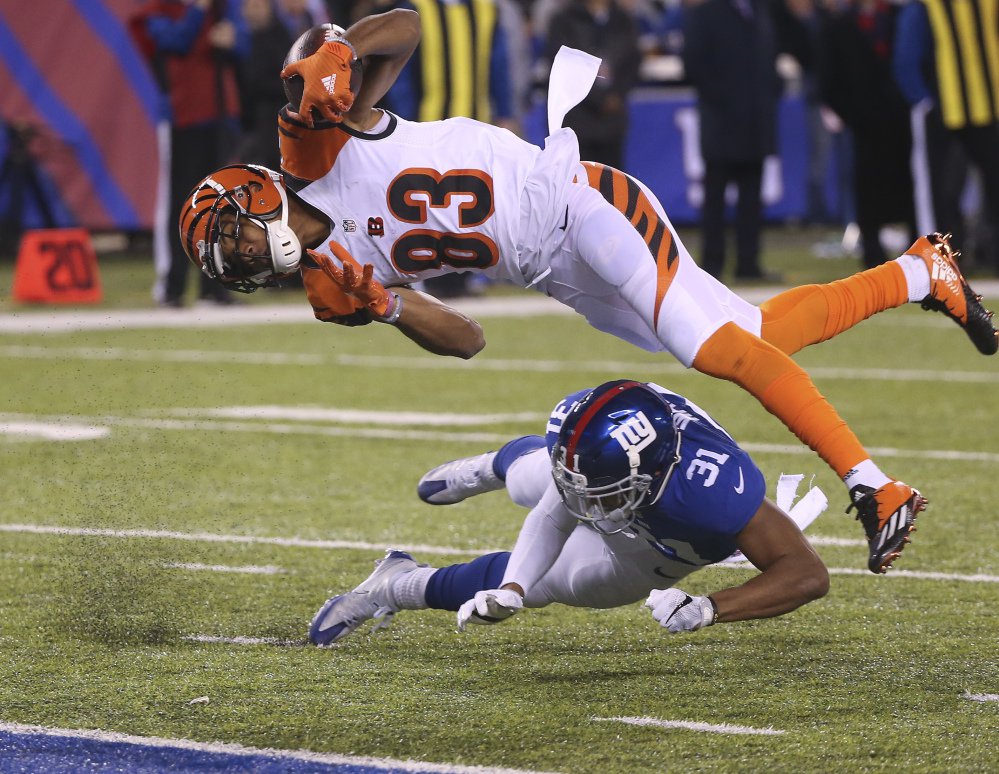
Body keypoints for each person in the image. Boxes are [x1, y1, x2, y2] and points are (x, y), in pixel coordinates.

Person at [178, 8, 999, 574]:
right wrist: (390, 307)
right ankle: (921, 271)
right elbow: (468, 338)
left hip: (574, 200)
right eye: (232, 261)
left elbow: (408, 27)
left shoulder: (312, 145)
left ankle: (873, 485)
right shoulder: (330, 289)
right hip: (553, 271)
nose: (246, 258)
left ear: (253, 192)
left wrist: (334, 58)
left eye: (236, 237)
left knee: (712, 349)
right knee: (756, 333)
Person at [308, 379, 831, 646]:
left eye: (604, 491)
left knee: (551, 584)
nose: (589, 505)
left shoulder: (711, 493)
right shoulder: (598, 444)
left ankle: (395, 584)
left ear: (656, 471)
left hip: (658, 548)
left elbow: (806, 573)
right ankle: (497, 465)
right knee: (533, 483)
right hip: (609, 473)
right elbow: (555, 513)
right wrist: (508, 588)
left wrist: (709, 607)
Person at [131, 0, 249, 308]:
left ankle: (216, 286)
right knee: (182, 202)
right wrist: (198, 10)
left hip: (222, 113)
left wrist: (234, 41)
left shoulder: (223, 8)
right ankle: (172, 287)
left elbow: (244, 47)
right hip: (183, 116)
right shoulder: (158, 9)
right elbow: (175, 42)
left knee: (221, 203)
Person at [892, 0, 999, 275]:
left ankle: (958, 255)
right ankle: (937, 258)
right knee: (937, 187)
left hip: (984, 105)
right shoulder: (926, 7)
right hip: (943, 106)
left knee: (945, 187)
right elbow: (906, 58)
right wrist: (922, 100)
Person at [682, 0, 782, 281]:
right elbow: (693, 63)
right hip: (722, 123)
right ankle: (712, 265)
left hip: (756, 124)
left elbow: (767, 59)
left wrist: (772, 88)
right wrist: (724, 100)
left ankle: (748, 264)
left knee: (752, 198)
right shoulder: (705, 13)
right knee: (715, 198)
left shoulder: (761, 11)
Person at [818, 0, 915, 268]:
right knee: (866, 188)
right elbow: (829, 79)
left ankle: (918, 253)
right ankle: (872, 253)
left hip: (902, 120)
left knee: (911, 185)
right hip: (864, 125)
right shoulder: (838, 26)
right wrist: (853, 114)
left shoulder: (900, 17)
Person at [543, 0, 642, 171]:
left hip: (612, 121)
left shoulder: (623, 19)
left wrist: (617, 94)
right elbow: (561, 63)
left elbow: (633, 61)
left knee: (611, 185)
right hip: (577, 119)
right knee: (578, 183)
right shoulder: (564, 20)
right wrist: (599, 98)